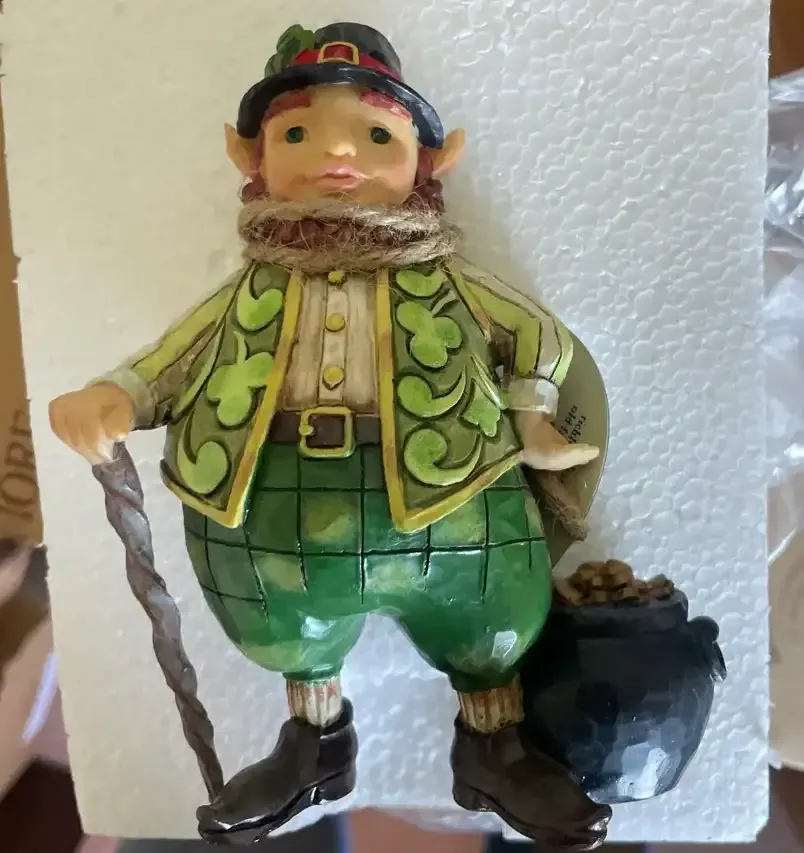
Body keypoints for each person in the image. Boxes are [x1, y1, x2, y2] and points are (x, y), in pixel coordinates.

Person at [49, 22, 610, 850]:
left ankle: (494, 746)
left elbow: (538, 338)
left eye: (377, 136)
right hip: (275, 503)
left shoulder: (450, 283)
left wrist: (530, 414)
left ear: (430, 161)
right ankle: (315, 743)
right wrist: (115, 397)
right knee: (284, 626)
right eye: (298, 135)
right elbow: (172, 359)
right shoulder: (249, 293)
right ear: (251, 157)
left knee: (490, 622)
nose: (338, 153)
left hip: (451, 496)